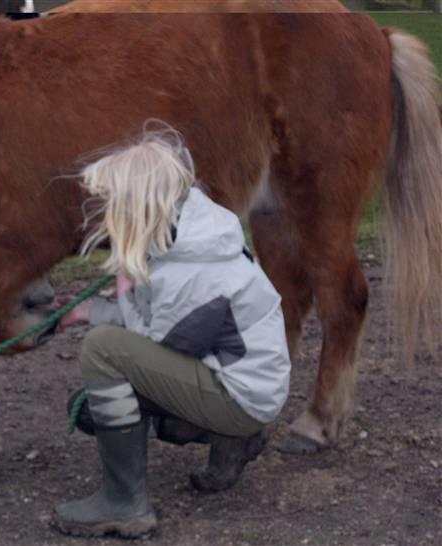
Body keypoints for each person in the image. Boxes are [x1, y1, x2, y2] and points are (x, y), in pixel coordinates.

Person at [52, 127, 291, 538]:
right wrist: (89, 310)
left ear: (138, 206)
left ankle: (124, 503)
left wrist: (120, 296)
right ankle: (236, 439)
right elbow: (161, 325)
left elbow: (151, 345)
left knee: (102, 353)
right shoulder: (190, 229)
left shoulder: (194, 273)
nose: (106, 214)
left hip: (241, 396)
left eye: (113, 205)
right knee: (102, 392)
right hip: (245, 382)